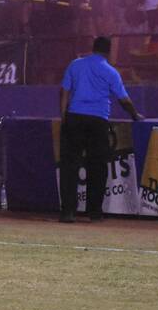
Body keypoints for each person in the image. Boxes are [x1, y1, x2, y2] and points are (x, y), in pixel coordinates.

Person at [58, 36, 143, 223]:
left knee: (70, 166)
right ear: (108, 51)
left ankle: (68, 212)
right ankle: (94, 212)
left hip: (75, 117)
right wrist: (135, 115)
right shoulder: (111, 72)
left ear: (93, 48)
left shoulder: (75, 65)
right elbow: (123, 99)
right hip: (98, 120)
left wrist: (64, 116)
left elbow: (64, 91)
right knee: (97, 167)